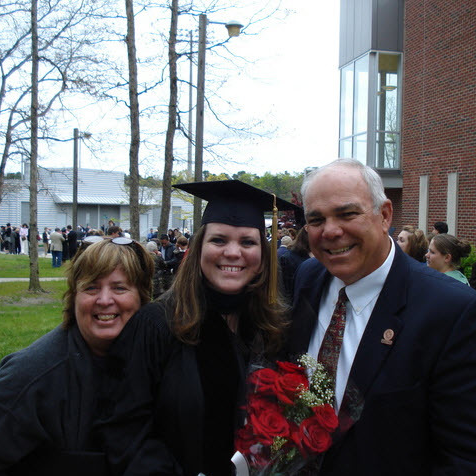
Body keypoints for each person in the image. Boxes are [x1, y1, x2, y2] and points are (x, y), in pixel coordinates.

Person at [96, 180, 301, 476]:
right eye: (219, 240)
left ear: (263, 252)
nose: (233, 252)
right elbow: (124, 431)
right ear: (198, 248)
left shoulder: (273, 327)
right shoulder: (157, 325)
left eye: (247, 241)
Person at [286, 158, 476, 476]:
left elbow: (462, 457)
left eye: (347, 214)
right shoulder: (309, 277)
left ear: (385, 214)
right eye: (316, 219)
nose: (330, 231)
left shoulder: (452, 310)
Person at [0, 237, 154, 475]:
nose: (104, 300)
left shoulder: (156, 365)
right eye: (91, 287)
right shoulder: (30, 379)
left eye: (119, 288)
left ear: (142, 298)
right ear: (74, 298)